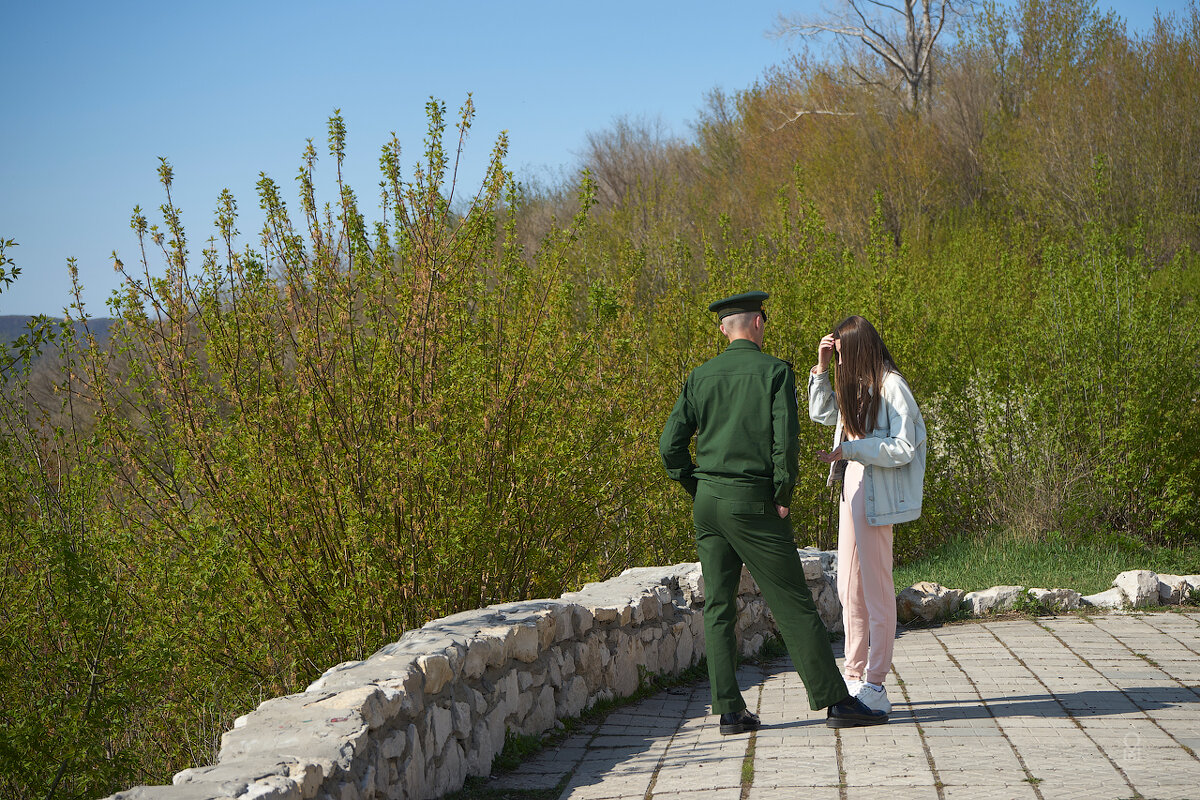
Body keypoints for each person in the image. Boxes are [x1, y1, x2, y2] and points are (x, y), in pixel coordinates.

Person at [660, 291, 887, 734]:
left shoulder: (700, 376)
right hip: (756, 501)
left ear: (723, 329)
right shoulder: (775, 372)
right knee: (793, 603)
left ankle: (729, 711)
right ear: (759, 323)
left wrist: (697, 485)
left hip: (709, 503)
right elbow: (787, 441)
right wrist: (783, 492)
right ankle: (836, 701)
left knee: (719, 606)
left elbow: (670, 447)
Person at [808, 315, 927, 716]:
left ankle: (875, 684)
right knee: (848, 587)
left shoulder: (891, 386)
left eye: (841, 353)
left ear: (858, 348)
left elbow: (904, 446)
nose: (839, 360)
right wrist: (821, 369)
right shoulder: (855, 384)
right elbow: (821, 414)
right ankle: (854, 675)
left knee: (876, 589)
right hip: (852, 488)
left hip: (876, 494)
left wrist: (853, 451)